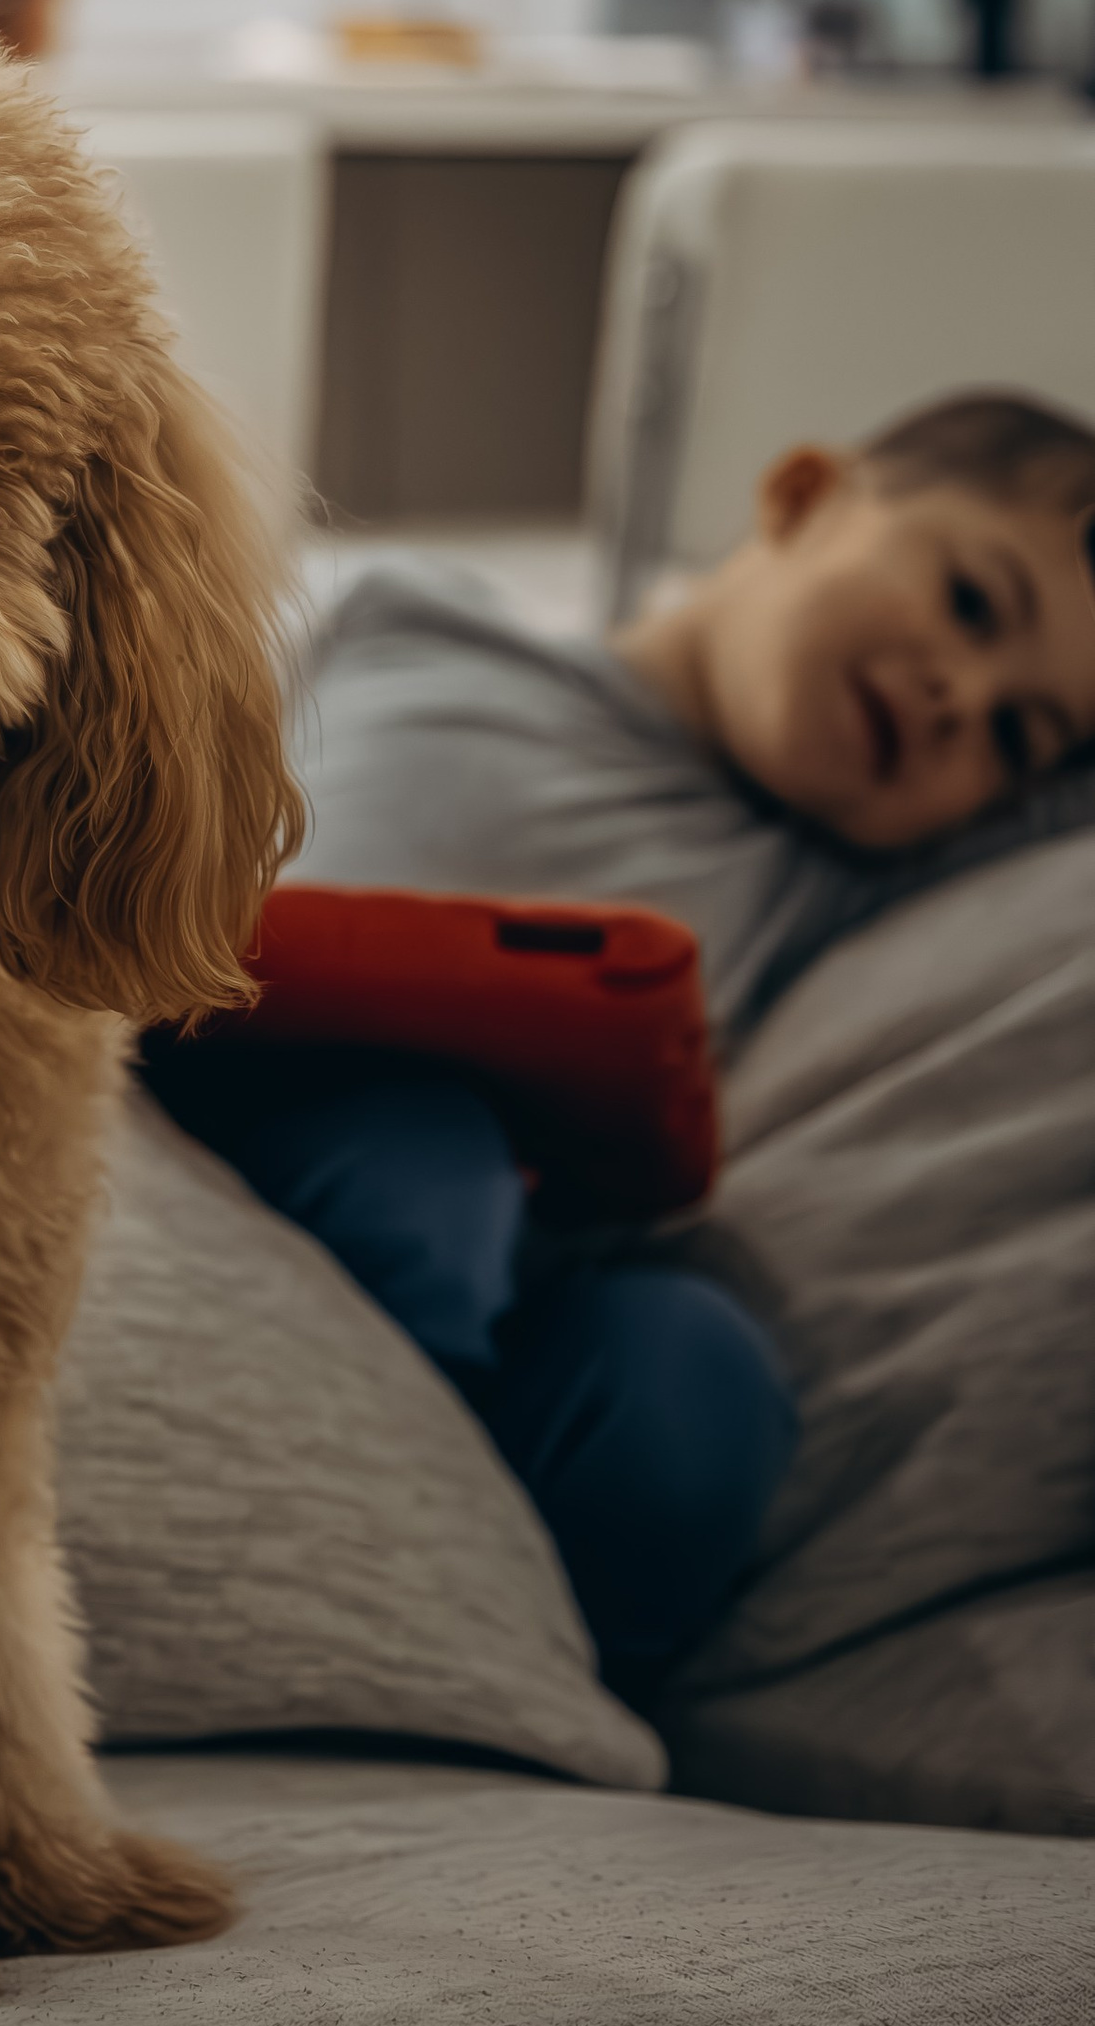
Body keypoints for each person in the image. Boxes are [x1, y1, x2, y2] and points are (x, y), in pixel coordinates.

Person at [185, 391, 1095, 1699]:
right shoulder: (410, 616)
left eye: (1017, 736)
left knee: (698, 1377)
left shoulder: (818, 878)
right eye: (968, 602)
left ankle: (517, 1683)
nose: (965, 697)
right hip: (223, 1095)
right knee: (421, 1170)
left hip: (521, 1266)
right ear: (803, 498)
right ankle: (310, 1554)